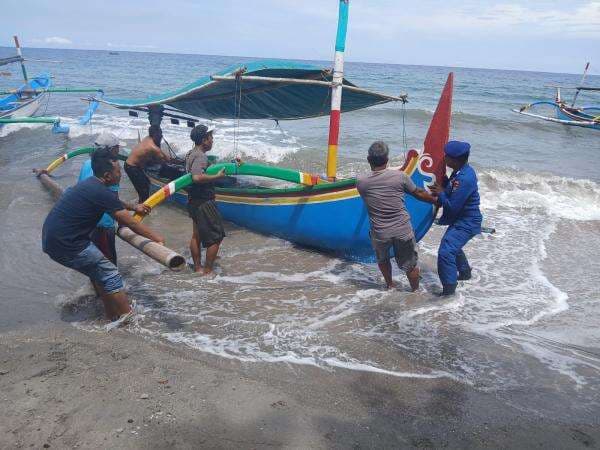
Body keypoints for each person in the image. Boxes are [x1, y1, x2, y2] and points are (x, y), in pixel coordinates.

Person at [40, 148, 164, 323]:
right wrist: (157, 239)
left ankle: (110, 316)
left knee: (99, 273)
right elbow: (131, 223)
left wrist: (133, 207)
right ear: (107, 176)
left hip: (52, 239)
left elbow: (113, 202)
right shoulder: (102, 191)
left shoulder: (92, 184)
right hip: (67, 243)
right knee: (111, 273)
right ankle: (126, 319)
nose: (121, 174)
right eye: (118, 171)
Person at [357, 141, 438, 290]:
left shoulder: (361, 182)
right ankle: (415, 291)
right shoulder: (400, 177)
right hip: (402, 230)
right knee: (410, 265)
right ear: (387, 160)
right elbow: (419, 193)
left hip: (380, 232)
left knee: (383, 260)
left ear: (369, 159)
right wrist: (437, 201)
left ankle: (390, 285)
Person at [430, 140, 482, 296]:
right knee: (453, 245)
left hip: (467, 222)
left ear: (456, 160)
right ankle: (465, 273)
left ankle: (449, 290)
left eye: (447, 156)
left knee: (446, 251)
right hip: (462, 219)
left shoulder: (464, 178)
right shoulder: (460, 171)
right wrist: (444, 183)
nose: (445, 158)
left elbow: (452, 206)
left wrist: (441, 193)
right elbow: (451, 187)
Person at [185, 125, 226, 275]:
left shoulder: (191, 153)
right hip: (204, 202)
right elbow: (197, 177)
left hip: (193, 200)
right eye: (211, 137)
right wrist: (218, 177)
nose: (212, 140)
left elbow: (202, 170)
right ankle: (207, 271)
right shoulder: (201, 156)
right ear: (204, 140)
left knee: (196, 235)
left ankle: (197, 268)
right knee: (217, 237)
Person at [78, 133, 123, 264]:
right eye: (117, 147)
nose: (119, 150)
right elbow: (114, 202)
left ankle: (95, 284)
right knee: (108, 263)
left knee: (93, 261)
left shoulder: (87, 163)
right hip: (103, 224)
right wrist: (122, 223)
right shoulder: (112, 169)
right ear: (111, 150)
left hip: (86, 222)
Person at [124, 125, 170, 203]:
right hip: (132, 168)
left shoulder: (147, 138)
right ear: (155, 134)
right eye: (160, 133)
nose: (161, 135)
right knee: (144, 191)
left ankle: (140, 203)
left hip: (131, 165)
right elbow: (167, 159)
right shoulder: (153, 147)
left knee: (146, 183)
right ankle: (141, 208)